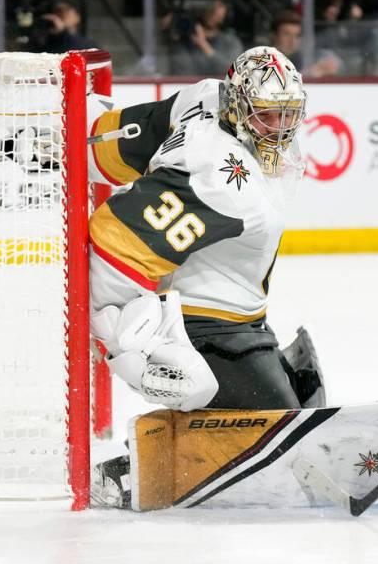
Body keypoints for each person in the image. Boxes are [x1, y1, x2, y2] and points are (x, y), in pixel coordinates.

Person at [85, 46, 321, 507]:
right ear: (238, 106)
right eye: (266, 116)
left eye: (286, 116)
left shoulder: (205, 97)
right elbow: (118, 241)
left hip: (242, 319)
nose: (279, 130)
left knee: (302, 401)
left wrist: (80, 142)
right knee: (276, 437)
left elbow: (123, 140)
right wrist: (120, 343)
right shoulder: (221, 180)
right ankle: (135, 470)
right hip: (206, 326)